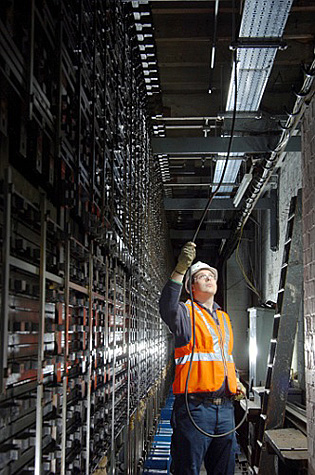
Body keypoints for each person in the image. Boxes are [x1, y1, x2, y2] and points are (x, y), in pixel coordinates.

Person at [159, 241, 245, 475]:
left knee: (224, 469)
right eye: (202, 276)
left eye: (211, 276)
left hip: (225, 409)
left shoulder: (224, 318)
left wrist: (235, 381)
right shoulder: (185, 314)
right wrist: (180, 269)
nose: (209, 279)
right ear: (190, 287)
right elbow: (166, 306)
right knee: (188, 469)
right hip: (194, 408)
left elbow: (223, 357)